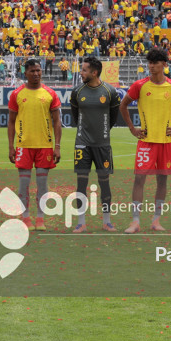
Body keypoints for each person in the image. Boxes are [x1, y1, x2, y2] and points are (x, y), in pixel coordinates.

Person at [120, 48, 171, 233]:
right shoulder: (140, 85)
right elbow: (123, 105)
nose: (151, 66)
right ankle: (135, 221)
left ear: (164, 65)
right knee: (139, 179)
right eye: (149, 63)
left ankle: (156, 220)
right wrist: (132, 128)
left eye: (155, 63)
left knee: (162, 181)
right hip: (147, 140)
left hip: (166, 141)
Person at [8, 59, 62, 231]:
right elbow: (11, 122)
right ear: (25, 73)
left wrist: (57, 146)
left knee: (42, 184)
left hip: (44, 146)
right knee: (23, 185)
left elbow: (57, 122)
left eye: (38, 70)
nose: (36, 74)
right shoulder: (17, 94)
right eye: (32, 71)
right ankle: (25, 218)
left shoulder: (50, 94)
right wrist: (11, 146)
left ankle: (40, 218)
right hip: (24, 145)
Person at [69, 57, 121, 232]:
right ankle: (81, 222)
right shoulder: (77, 91)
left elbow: (113, 117)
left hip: (102, 145)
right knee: (81, 183)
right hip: (82, 144)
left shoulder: (110, 91)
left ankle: (107, 221)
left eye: (84, 70)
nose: (81, 73)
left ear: (94, 72)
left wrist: (102, 133)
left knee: (104, 183)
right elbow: (75, 116)